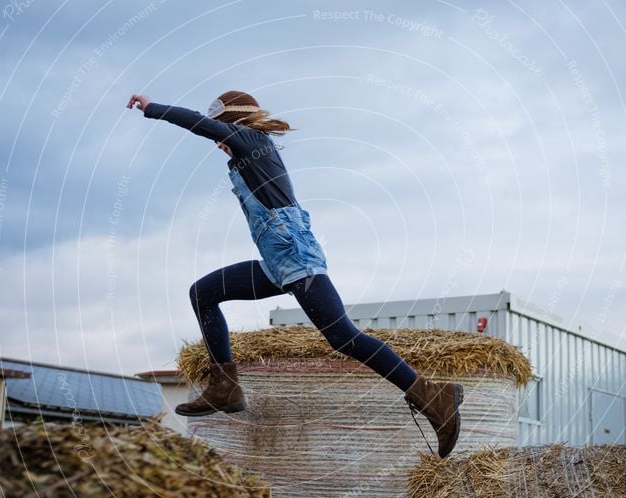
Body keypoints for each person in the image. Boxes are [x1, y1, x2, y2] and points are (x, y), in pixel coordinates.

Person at [127, 90, 463, 457]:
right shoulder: (246, 156)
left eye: (220, 131)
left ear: (232, 123)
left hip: (294, 253)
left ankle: (433, 395)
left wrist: (152, 108)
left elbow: (200, 124)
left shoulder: (252, 140)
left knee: (342, 336)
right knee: (203, 292)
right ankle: (225, 387)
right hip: (277, 260)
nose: (217, 142)